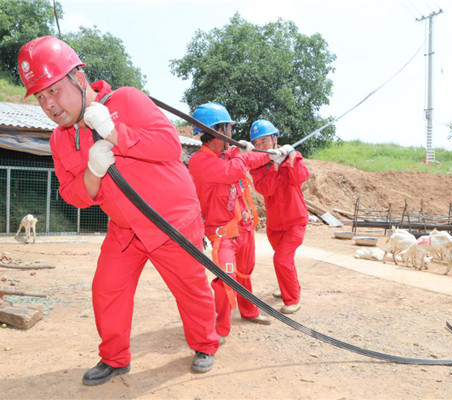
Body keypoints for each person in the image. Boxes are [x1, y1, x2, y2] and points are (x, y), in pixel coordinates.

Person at [17, 36, 219, 385]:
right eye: (40, 96)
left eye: (53, 90)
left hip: (170, 221)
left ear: (78, 79)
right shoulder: (59, 139)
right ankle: (114, 359)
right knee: (107, 289)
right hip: (125, 228)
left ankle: (205, 344)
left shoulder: (126, 100)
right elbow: (73, 195)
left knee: (190, 287)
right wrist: (92, 173)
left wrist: (113, 131)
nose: (48, 104)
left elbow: (170, 147)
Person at [188, 103, 283, 344]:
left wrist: (274, 153)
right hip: (222, 232)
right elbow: (234, 170)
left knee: (244, 272)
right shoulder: (200, 162)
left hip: (244, 226)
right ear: (219, 130)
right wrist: (261, 154)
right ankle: (219, 328)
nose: (231, 132)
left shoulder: (226, 155)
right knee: (226, 279)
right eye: (228, 127)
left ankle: (249, 310)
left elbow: (239, 159)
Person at [248, 120, 310, 314]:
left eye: (264, 141)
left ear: (275, 139)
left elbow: (300, 177)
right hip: (275, 225)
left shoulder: (292, 156)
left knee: (282, 260)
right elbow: (267, 189)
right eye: (257, 144)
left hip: (295, 222)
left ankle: (292, 299)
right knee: (285, 260)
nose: (261, 147)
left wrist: (288, 158)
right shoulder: (258, 166)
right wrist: (272, 164)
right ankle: (288, 287)